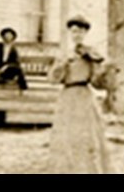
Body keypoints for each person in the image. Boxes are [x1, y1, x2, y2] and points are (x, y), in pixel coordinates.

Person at [48, 15, 114, 174]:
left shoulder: (92, 54)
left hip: (84, 97)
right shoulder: (64, 54)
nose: (77, 35)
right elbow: (53, 79)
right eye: (74, 31)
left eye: (80, 31)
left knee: (86, 136)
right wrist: (63, 63)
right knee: (67, 136)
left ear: (85, 33)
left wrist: (101, 69)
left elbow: (97, 83)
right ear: (70, 33)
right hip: (67, 97)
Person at [0, 27, 29, 92]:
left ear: (13, 38)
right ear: (3, 37)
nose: (8, 38)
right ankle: (0, 80)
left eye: (10, 36)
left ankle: (23, 87)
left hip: (7, 70)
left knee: (18, 69)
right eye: (6, 35)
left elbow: (16, 62)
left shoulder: (13, 50)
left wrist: (6, 66)